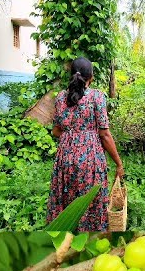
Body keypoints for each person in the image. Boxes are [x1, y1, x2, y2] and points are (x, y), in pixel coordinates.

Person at [48, 57, 123, 231]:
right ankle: (89, 234)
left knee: (67, 196)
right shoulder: (97, 96)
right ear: (92, 76)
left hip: (65, 157)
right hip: (90, 158)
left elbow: (56, 130)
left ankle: (67, 231)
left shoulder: (60, 98)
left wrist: (72, 135)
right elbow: (104, 134)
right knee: (90, 199)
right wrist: (119, 163)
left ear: (71, 75)